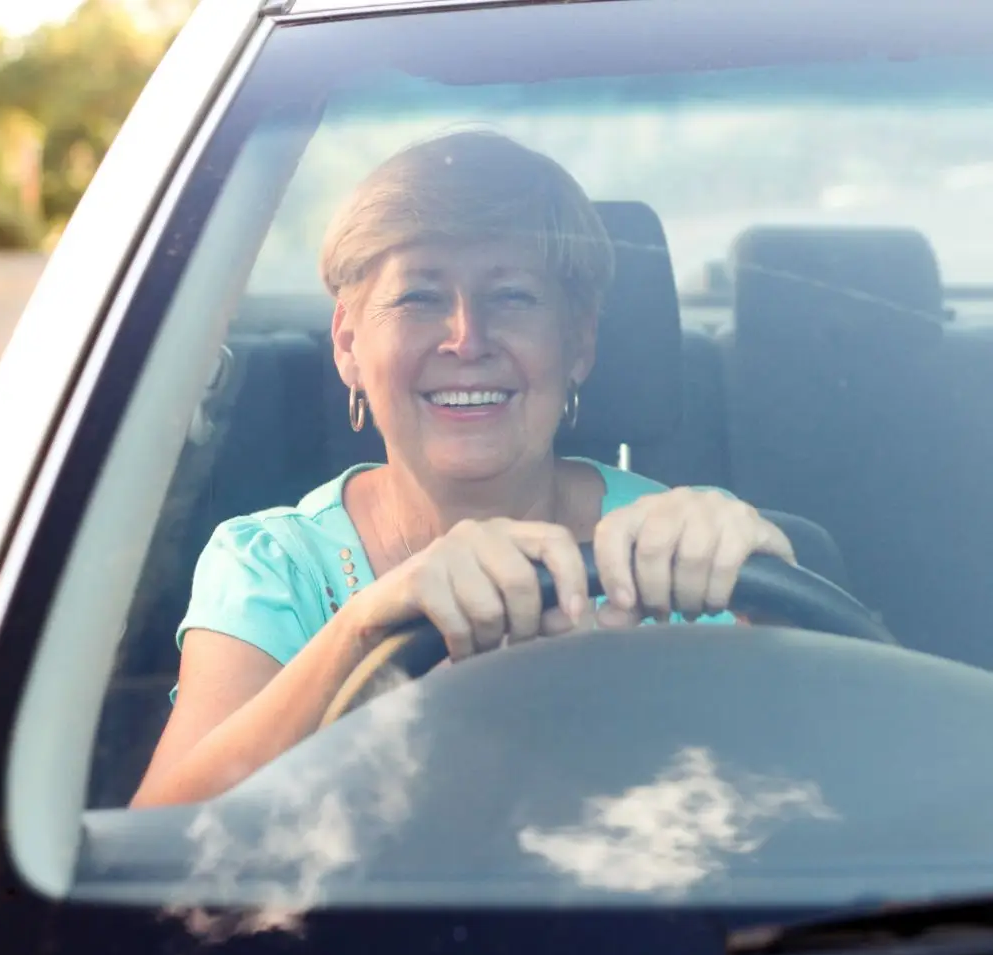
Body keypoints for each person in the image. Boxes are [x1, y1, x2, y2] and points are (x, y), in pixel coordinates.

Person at [131, 131, 794, 809]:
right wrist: (367, 628)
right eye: (419, 298)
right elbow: (159, 833)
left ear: (580, 343)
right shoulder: (274, 566)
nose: (466, 340)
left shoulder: (687, 551)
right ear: (349, 344)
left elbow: (811, 802)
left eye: (511, 297)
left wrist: (770, 616)